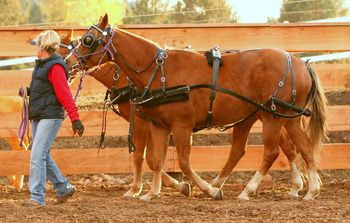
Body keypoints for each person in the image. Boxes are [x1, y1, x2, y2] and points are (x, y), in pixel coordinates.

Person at [20, 30, 84, 207]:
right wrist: (29, 91)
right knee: (42, 155)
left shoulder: (55, 67)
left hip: (50, 116)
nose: (35, 47)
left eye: (37, 44)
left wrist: (75, 118)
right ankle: (63, 188)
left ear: (43, 46)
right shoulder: (42, 64)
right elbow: (46, 89)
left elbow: (64, 94)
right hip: (39, 114)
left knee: (37, 155)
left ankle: (37, 198)